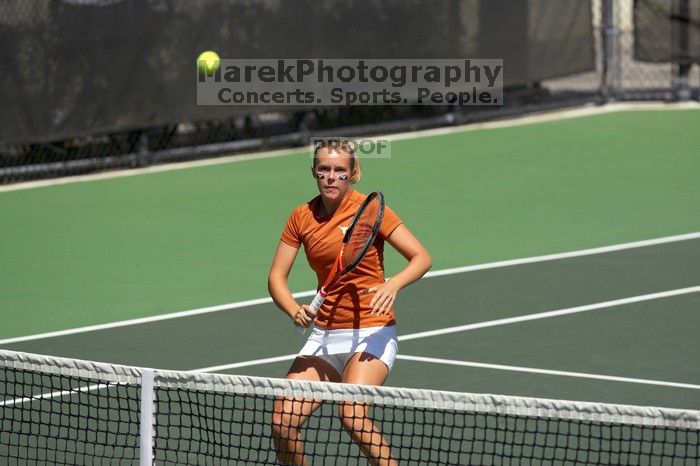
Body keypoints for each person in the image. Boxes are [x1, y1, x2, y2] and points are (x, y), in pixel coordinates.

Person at [268, 138, 432, 466]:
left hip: (371, 332)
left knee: (352, 415)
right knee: (282, 423)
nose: (331, 177)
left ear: (353, 173)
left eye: (339, 170)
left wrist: (394, 283)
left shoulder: (369, 212)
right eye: (324, 169)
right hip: (325, 337)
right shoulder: (301, 217)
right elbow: (276, 278)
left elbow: (421, 257)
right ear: (314, 172)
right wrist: (293, 309)